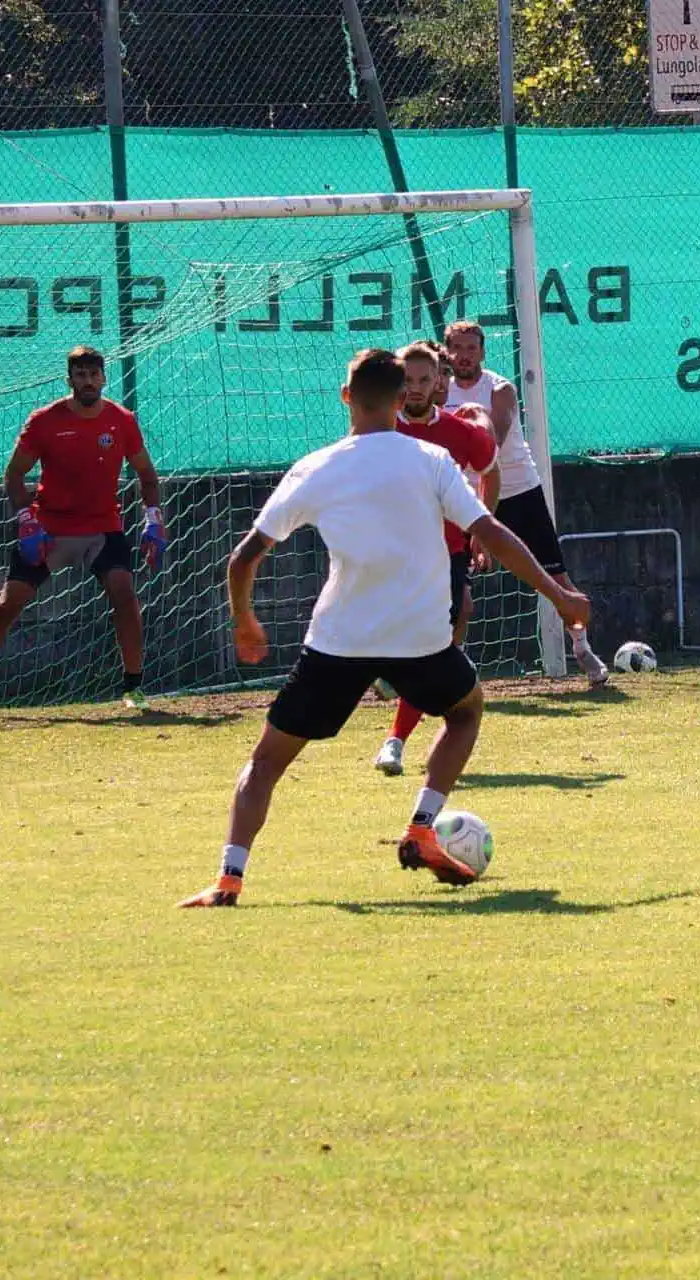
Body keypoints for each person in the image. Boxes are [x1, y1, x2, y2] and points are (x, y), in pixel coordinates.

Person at [178, 349, 591, 908]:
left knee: (267, 761)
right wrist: (561, 594)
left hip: (338, 642)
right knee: (466, 711)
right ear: (403, 401)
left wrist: (244, 619)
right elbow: (491, 532)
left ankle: (229, 878)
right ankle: (422, 824)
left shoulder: (316, 467)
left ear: (346, 396)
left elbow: (243, 558)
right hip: (420, 638)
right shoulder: (430, 459)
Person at [0, 346, 166, 712]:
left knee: (125, 594)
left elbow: (147, 476)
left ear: (104, 378)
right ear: (69, 380)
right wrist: (26, 519)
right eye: (80, 375)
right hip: (49, 530)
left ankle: (133, 688)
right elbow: (14, 474)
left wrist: (153, 519)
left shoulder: (122, 420)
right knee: (10, 603)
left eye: (93, 374)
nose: (87, 381)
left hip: (101, 528)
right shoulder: (44, 420)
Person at [442, 319, 608, 686]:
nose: (464, 355)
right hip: (463, 500)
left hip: (517, 492)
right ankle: (445, 671)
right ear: (447, 352)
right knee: (451, 590)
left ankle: (582, 647)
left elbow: (491, 444)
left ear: (483, 352)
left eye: (472, 348)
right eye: (458, 348)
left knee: (555, 577)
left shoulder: (500, 389)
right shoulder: (440, 394)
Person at [373, 341, 500, 777]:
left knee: (440, 641)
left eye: (424, 380)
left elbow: (491, 468)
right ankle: (387, 671)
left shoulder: (458, 431)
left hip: (447, 554)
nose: (416, 388)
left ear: (439, 381)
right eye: (407, 380)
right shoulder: (381, 430)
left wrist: (482, 532)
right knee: (417, 642)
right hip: (393, 554)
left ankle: (395, 741)